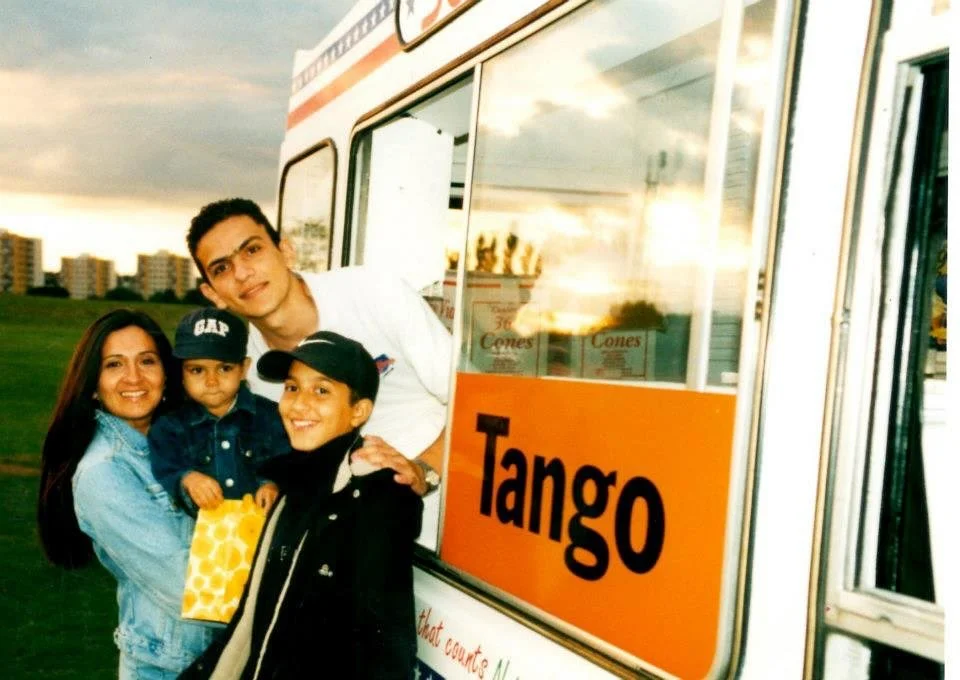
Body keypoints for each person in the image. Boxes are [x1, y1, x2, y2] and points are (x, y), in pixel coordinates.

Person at [186, 198, 450, 544]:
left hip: (451, 512)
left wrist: (423, 471)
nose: (241, 273)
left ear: (286, 251)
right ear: (212, 293)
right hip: (359, 537)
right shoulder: (243, 373)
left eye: (251, 250)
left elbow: (479, 405)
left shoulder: (372, 293)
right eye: (221, 268)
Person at [181, 331, 422, 679]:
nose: (299, 404)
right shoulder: (294, 486)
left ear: (359, 411)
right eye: (292, 388)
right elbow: (251, 624)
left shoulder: (377, 495)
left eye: (321, 391)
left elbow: (385, 648)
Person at [37, 309, 220, 679]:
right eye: (114, 365)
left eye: (147, 361)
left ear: (166, 374)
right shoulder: (104, 472)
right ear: (92, 383)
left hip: (214, 659)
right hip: (171, 667)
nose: (133, 378)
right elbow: (189, 588)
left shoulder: (179, 441)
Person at [149, 307, 288, 515]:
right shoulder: (168, 428)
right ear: (181, 373)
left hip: (262, 530)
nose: (211, 381)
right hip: (204, 538)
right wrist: (187, 478)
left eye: (224, 368)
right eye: (197, 370)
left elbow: (290, 464)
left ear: (244, 369)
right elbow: (165, 469)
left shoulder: (273, 417)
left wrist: (273, 485)